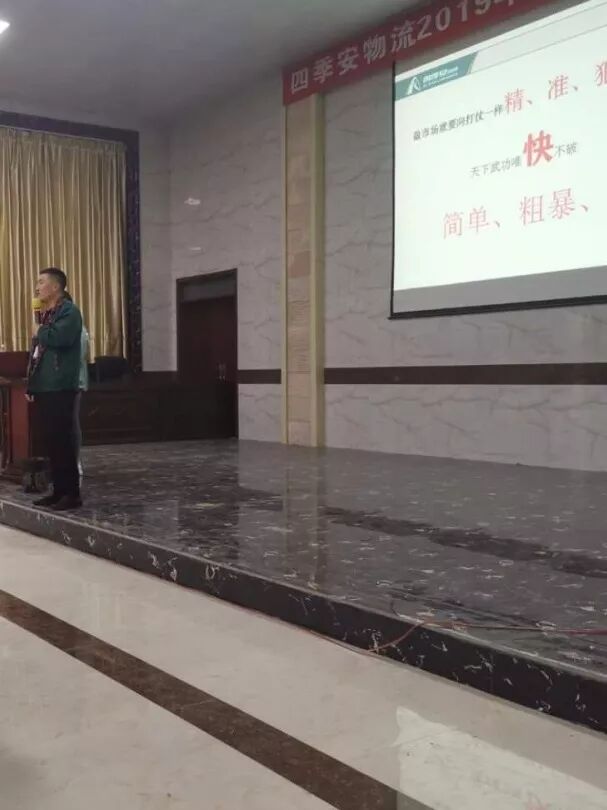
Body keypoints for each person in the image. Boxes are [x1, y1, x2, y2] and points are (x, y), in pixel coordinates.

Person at [27, 268, 83, 511]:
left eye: (41, 282)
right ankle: (58, 491)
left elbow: (61, 339)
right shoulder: (46, 314)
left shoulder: (69, 311)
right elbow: (37, 354)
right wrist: (31, 383)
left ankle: (72, 494)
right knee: (51, 442)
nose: (37, 287)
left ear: (56, 286)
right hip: (44, 386)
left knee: (63, 441)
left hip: (60, 386)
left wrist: (39, 331)